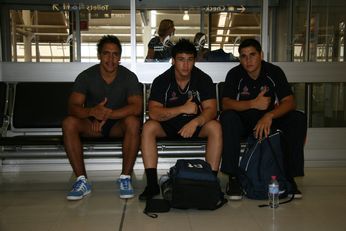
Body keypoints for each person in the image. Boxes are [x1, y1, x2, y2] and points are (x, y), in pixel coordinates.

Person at [220, 38, 307, 201]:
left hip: (269, 122)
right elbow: (226, 103)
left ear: (261, 55)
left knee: (297, 118)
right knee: (228, 118)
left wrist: (269, 115)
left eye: (252, 55)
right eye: (244, 56)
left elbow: (289, 102)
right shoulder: (235, 74)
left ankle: (288, 177)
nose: (248, 60)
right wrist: (253, 103)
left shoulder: (274, 72)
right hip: (244, 122)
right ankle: (234, 178)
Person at [139, 38, 222, 201]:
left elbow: (212, 110)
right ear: (173, 61)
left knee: (215, 127)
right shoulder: (161, 80)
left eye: (190, 60)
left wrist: (195, 121)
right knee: (148, 127)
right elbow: (154, 113)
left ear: (195, 61)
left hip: (195, 125)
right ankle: (152, 184)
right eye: (181, 60)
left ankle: (210, 182)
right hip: (168, 125)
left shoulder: (203, 79)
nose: (185, 65)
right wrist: (183, 109)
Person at [62, 35, 143, 200]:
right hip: (91, 126)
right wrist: (92, 112)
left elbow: (136, 107)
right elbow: (73, 107)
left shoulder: (129, 77)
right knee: (68, 123)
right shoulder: (86, 76)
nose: (111, 59)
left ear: (120, 57)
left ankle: (125, 178)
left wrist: (109, 114)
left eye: (115, 54)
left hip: (116, 126)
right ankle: (82, 181)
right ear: (99, 55)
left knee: (133, 123)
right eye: (106, 54)